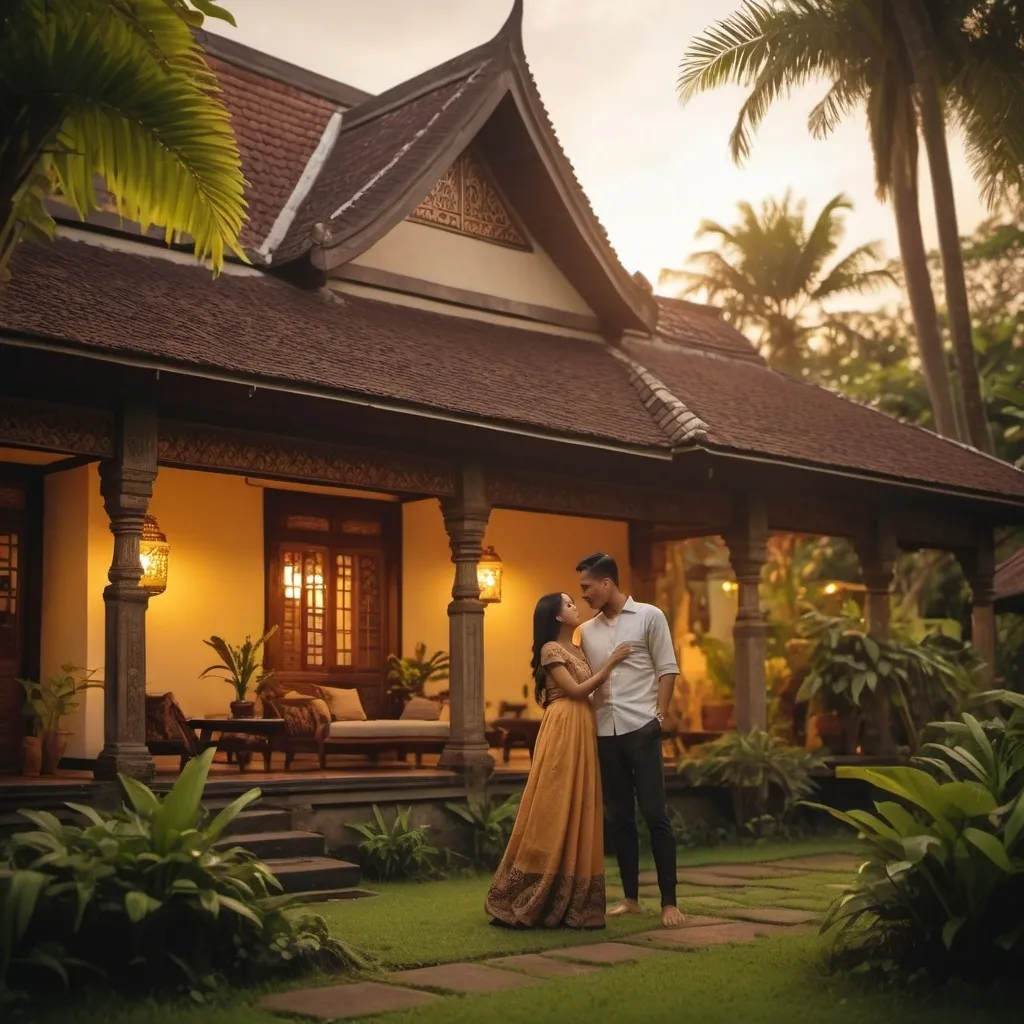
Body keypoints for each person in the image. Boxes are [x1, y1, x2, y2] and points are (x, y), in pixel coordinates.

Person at [485, 592, 631, 929]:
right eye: (567, 604)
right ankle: (528, 891)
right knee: (554, 801)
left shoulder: (578, 649)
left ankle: (574, 899)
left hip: (583, 725)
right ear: (555, 616)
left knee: (581, 803)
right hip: (563, 725)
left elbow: (590, 695)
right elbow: (577, 691)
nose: (574, 607)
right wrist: (611, 663)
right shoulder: (551, 649)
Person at [576, 552, 685, 929]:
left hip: (642, 728)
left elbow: (667, 669)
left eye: (587, 587)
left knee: (656, 815)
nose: (584, 595)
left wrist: (660, 717)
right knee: (620, 819)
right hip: (605, 733)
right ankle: (631, 898)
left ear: (607, 583)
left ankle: (670, 902)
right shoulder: (587, 632)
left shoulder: (651, 616)